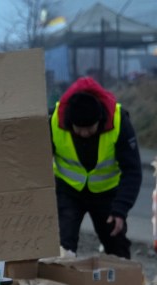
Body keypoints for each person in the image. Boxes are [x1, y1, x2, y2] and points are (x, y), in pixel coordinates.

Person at [51, 76, 142, 258]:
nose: (84, 134)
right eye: (79, 129)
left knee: (117, 247)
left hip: (107, 194)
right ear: (70, 122)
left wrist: (120, 210)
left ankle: (123, 283)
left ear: (100, 120)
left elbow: (132, 170)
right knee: (62, 247)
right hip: (68, 191)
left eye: (90, 129)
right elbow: (36, 161)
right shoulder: (54, 121)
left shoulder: (119, 121)